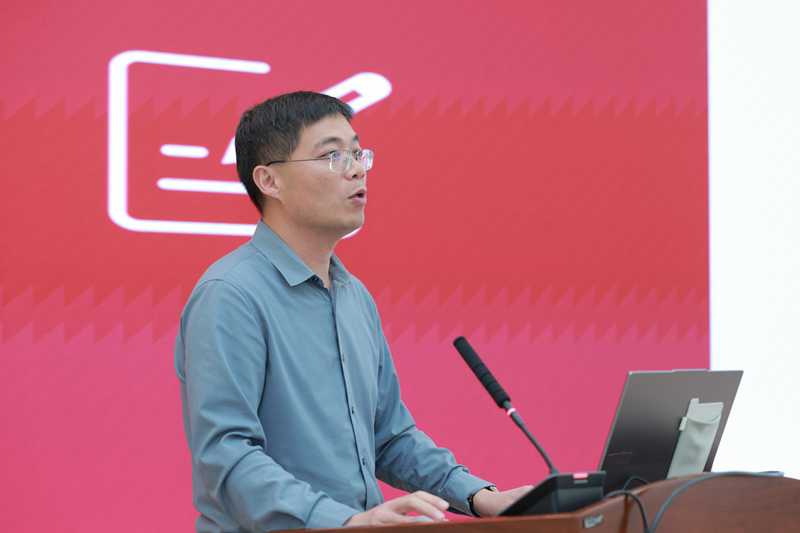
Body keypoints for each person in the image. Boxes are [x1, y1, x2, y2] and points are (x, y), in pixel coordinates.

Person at [175, 91, 530, 533]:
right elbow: (227, 455)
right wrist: (344, 520)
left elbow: (390, 438)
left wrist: (481, 498)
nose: (358, 169)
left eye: (358, 154)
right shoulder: (231, 294)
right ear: (270, 181)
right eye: (334, 156)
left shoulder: (354, 295)